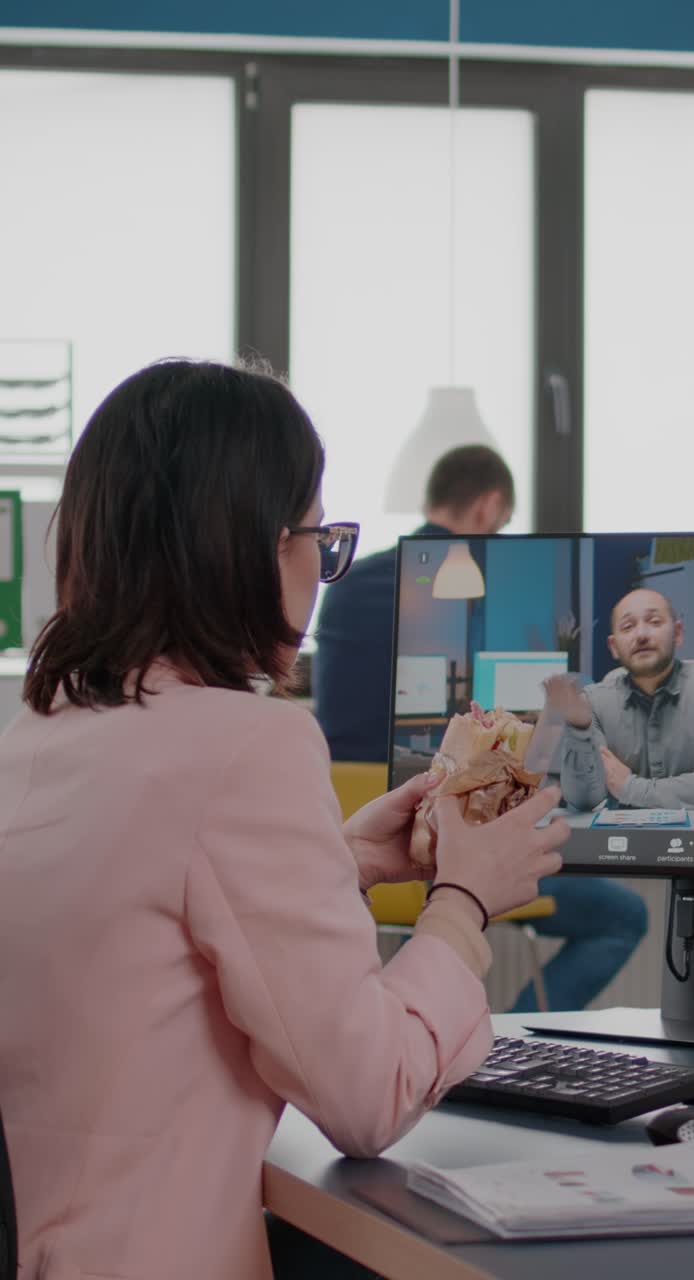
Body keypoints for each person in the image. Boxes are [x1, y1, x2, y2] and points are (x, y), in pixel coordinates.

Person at [0, 359, 569, 1280]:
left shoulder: (44, 730)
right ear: (258, 548)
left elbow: (139, 934)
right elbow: (368, 1096)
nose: (323, 569)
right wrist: (465, 901)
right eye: (322, 538)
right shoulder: (245, 746)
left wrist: (338, 862)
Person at [313, 447, 648, 1014]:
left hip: (355, 856)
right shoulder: (476, 592)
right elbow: (523, 756)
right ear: (489, 506)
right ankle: (509, 1042)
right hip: (443, 855)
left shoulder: (345, 585)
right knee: (624, 915)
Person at [313, 444, 515, 762]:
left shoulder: (350, 580)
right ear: (489, 507)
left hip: (344, 789)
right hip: (426, 786)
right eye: (502, 523)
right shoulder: (481, 585)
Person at [547, 587, 694, 811]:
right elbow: (583, 801)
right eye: (628, 627)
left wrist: (629, 788)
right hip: (621, 843)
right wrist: (579, 730)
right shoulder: (594, 702)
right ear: (614, 647)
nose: (641, 635)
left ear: (677, 633)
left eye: (654, 622)